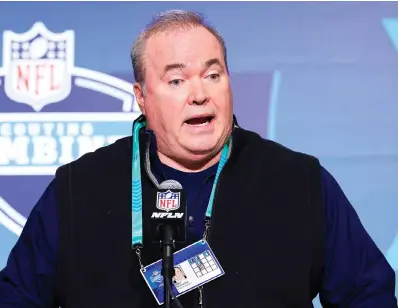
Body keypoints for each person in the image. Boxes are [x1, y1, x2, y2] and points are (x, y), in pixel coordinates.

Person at [0, 9, 397, 308]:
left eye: (213, 75)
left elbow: (369, 293)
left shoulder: (298, 182)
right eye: (176, 80)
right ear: (141, 96)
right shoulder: (78, 189)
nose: (199, 94)